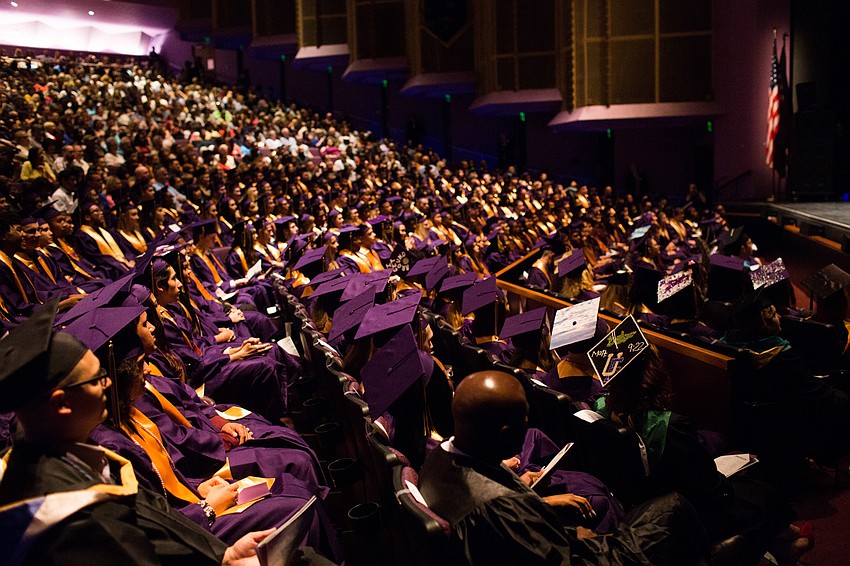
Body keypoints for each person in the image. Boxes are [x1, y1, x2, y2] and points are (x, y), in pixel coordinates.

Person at [0, 299, 275, 565]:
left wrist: (224, 556)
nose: (109, 383)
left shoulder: (73, 456)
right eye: (97, 379)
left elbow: (150, 523)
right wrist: (209, 519)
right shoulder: (64, 512)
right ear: (62, 403)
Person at [418, 370, 709, 565]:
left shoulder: (438, 459)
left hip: (554, 542)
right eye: (524, 421)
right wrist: (575, 537)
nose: (527, 428)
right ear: (505, 433)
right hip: (581, 558)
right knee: (675, 509)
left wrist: (561, 529)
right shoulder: (499, 508)